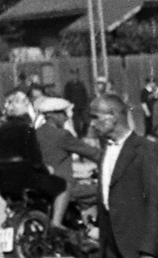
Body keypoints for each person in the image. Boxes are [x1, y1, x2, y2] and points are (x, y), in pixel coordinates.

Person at [94, 93, 158, 258]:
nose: (92, 123)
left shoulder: (147, 151)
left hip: (136, 245)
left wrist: (148, 249)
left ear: (113, 117)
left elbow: (156, 203)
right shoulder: (106, 150)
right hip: (110, 245)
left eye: (95, 117)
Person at [35, 95, 101, 233]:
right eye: (63, 114)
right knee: (102, 191)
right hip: (65, 187)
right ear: (53, 115)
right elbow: (92, 153)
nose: (66, 117)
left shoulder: (36, 133)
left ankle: (82, 226)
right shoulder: (62, 135)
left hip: (43, 185)